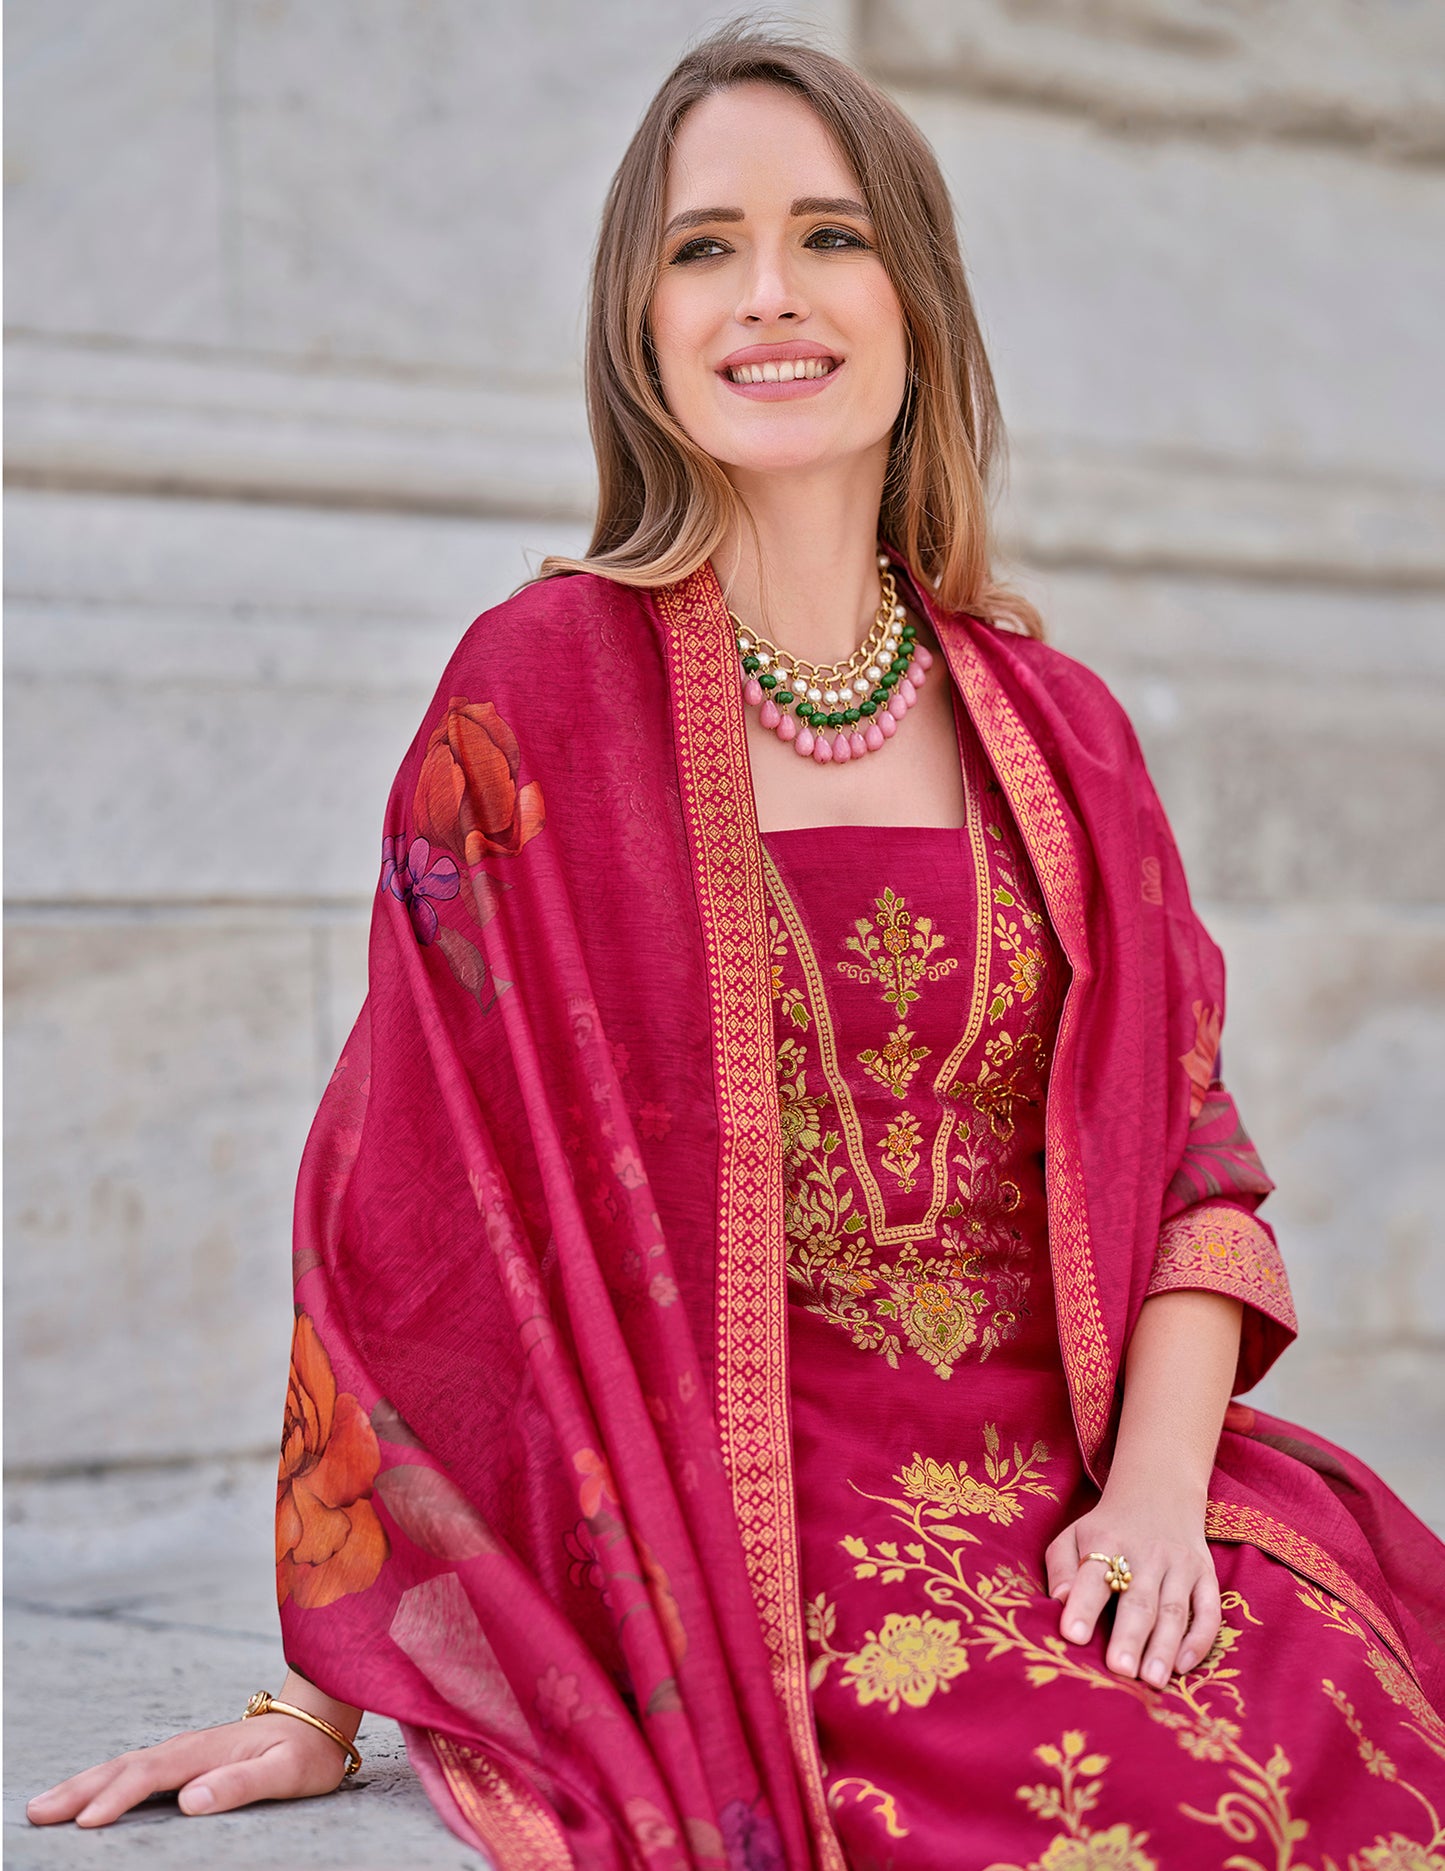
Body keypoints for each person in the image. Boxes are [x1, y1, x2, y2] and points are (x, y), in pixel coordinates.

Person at [27, 24, 1445, 1869]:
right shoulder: (536, 696)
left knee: (1345, 1694)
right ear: (639, 327)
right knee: (1121, 1800)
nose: (767, 295)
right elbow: (407, 1218)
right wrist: (324, 1697)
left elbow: (1191, 1164)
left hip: (1093, 1478)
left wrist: (1162, 1505)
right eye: (702, 247)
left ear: (916, 296)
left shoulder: (1059, 724)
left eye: (827, 236)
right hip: (734, 1529)